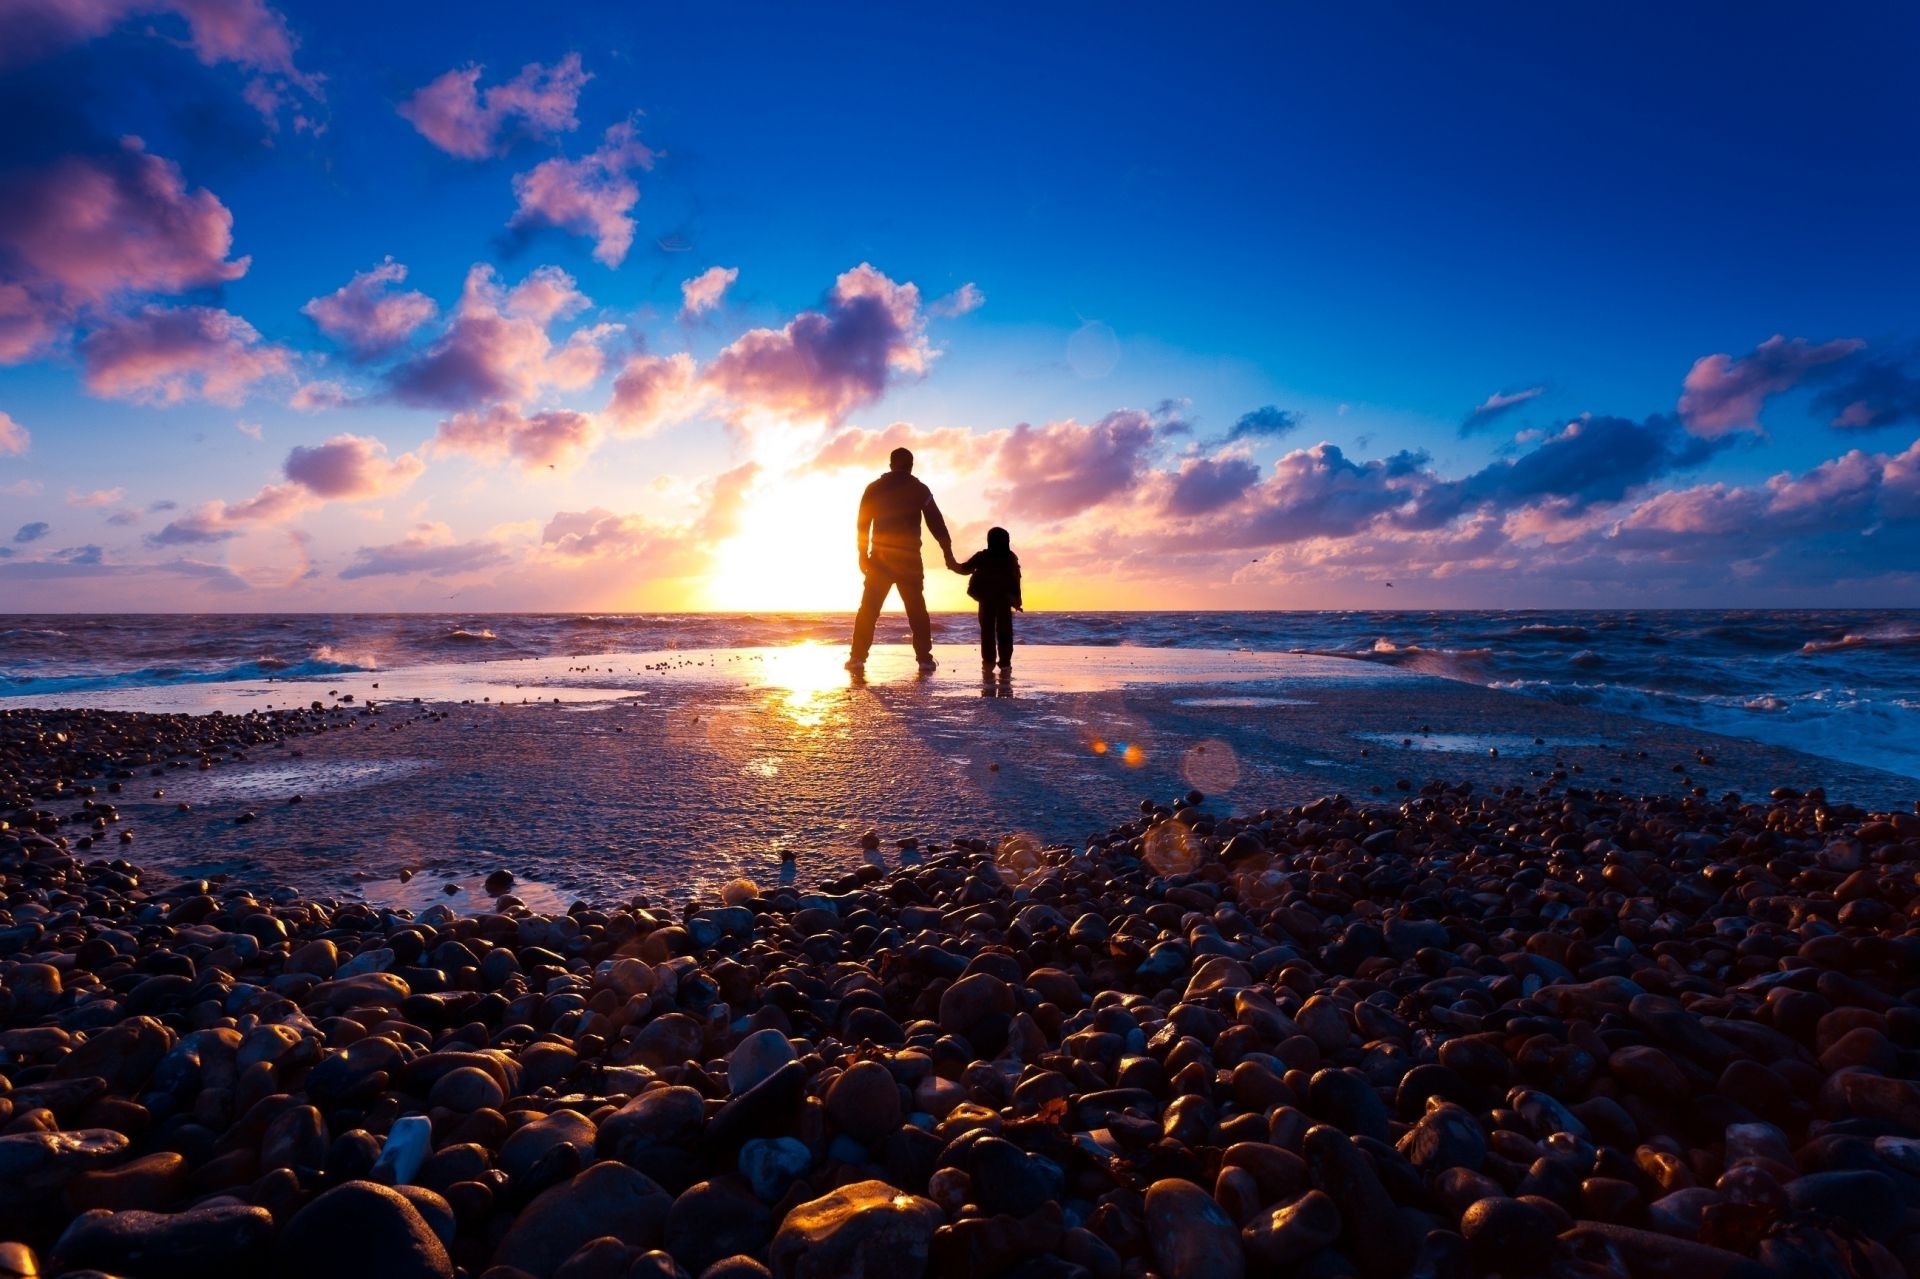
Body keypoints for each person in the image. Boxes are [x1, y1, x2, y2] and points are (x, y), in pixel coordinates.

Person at [848, 447, 953, 673]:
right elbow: (936, 522)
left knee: (868, 610)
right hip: (909, 560)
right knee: (917, 610)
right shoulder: (919, 489)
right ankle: (924, 659)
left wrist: (861, 554)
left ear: (891, 464)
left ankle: (857, 657)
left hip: (880, 560)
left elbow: (862, 523)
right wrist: (947, 552)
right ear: (911, 465)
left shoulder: (874, 488)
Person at [950, 525, 1022, 676]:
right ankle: (1005, 663)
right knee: (1005, 633)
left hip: (986, 599)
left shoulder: (983, 556)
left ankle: (989, 663)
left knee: (988, 632)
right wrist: (1017, 600)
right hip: (1003, 601)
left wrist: (952, 565)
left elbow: (965, 569)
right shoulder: (1010, 558)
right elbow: (1016, 580)